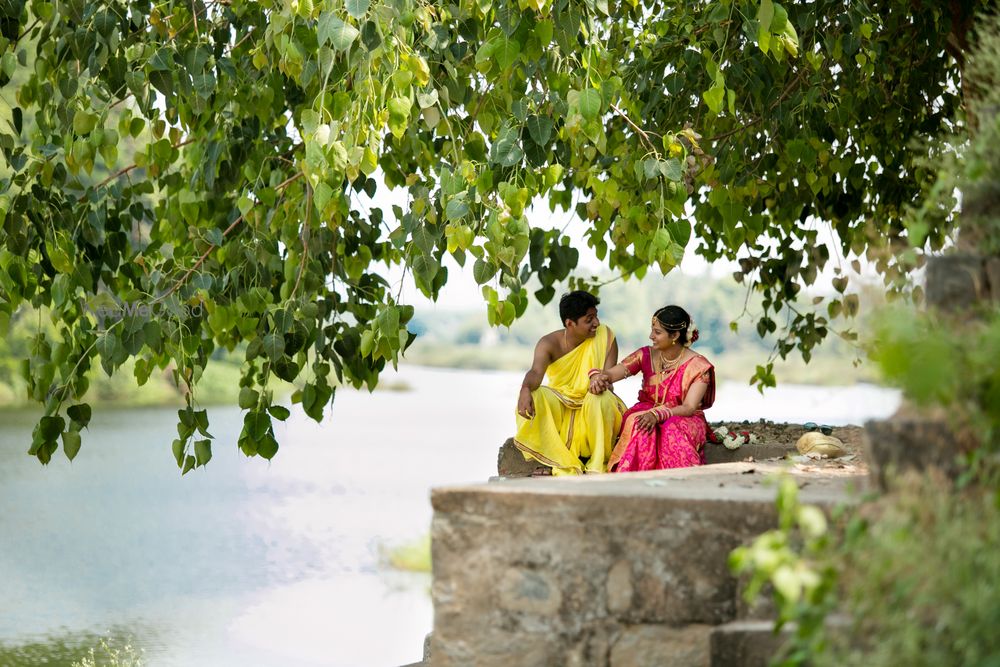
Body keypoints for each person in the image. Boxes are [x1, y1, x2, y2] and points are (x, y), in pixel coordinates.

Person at [590, 305, 716, 472]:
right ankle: (636, 479)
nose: (651, 336)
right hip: (647, 411)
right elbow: (612, 374)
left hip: (683, 418)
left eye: (657, 332)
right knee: (640, 422)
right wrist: (597, 376)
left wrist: (657, 415)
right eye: (652, 330)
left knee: (670, 428)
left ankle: (684, 478)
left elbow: (689, 407)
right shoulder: (645, 354)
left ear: (675, 335)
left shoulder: (698, 366)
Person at [514, 291, 626, 475]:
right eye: (589, 319)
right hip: (563, 405)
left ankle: (598, 464)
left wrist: (599, 382)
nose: (596, 323)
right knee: (535, 394)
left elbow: (609, 379)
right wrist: (525, 389)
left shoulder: (605, 336)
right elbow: (535, 373)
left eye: (596, 316)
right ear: (570, 323)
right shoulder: (549, 343)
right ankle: (551, 458)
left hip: (594, 405)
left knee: (601, 397)